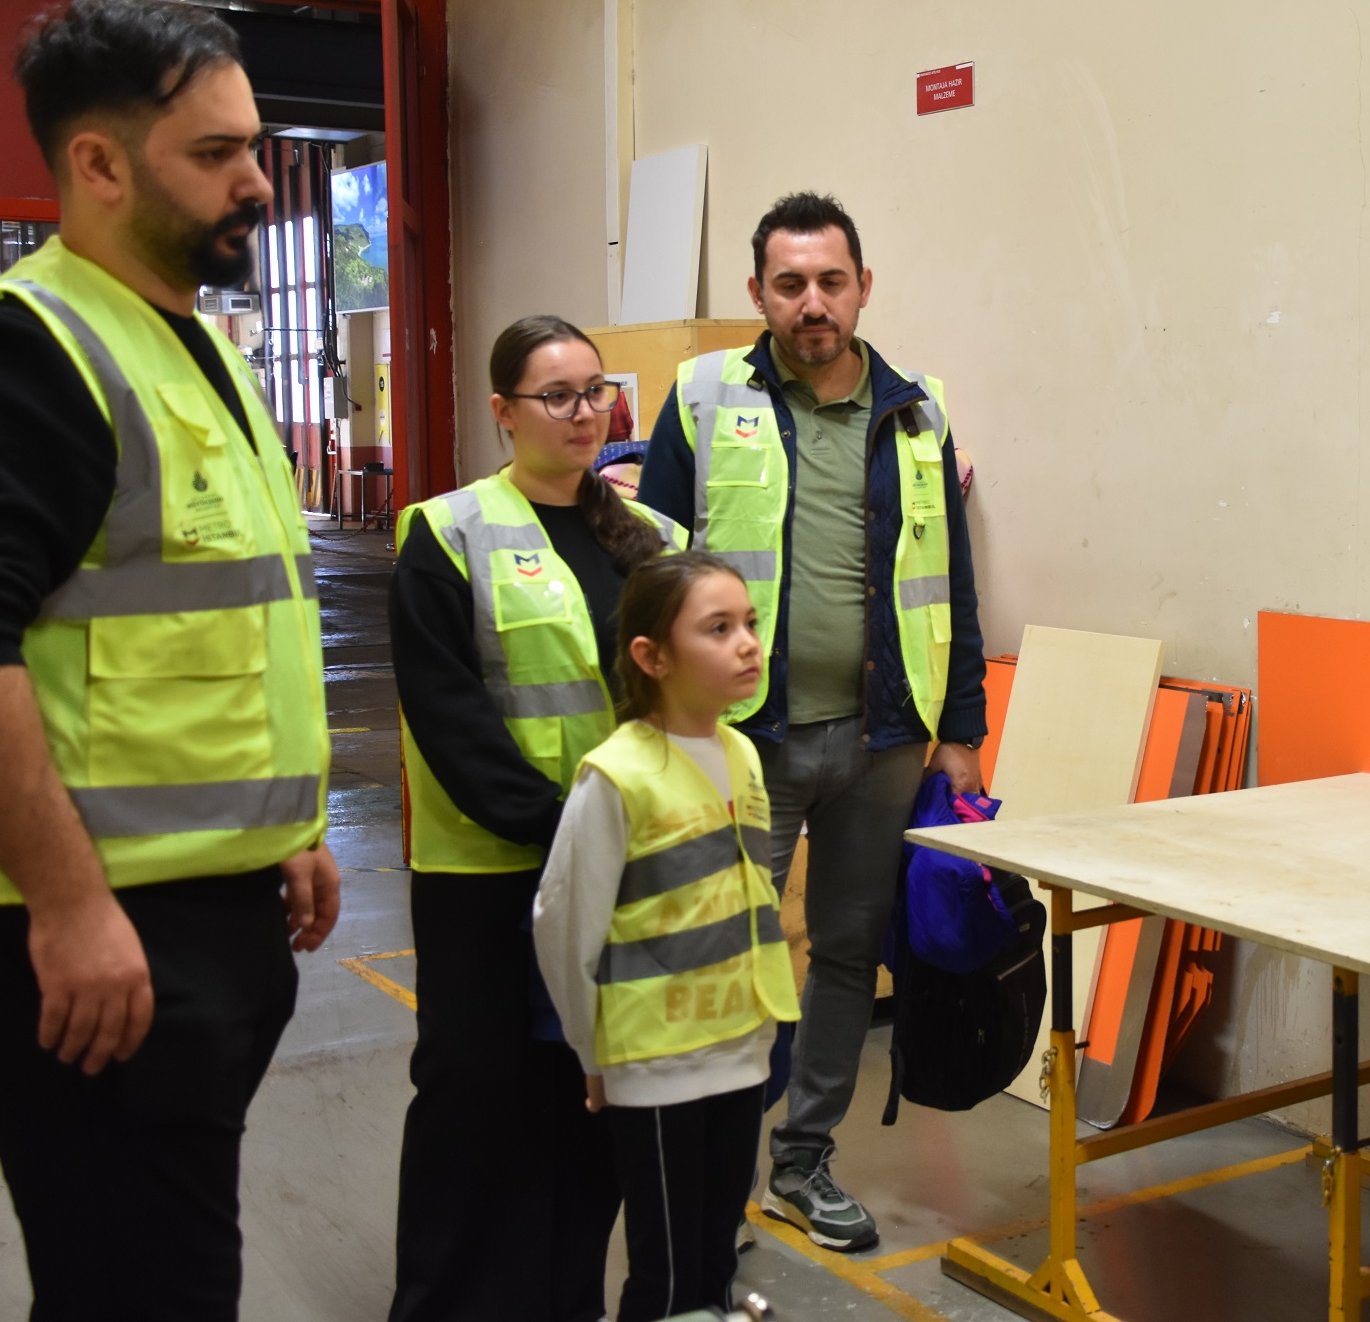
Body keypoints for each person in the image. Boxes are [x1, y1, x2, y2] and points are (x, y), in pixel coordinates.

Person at [0, 0, 339, 1319]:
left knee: (159, 1272)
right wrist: (67, 905)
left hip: (202, 909)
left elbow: (214, 627)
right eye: (215, 154)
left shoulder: (189, 347)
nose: (256, 182)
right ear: (99, 164)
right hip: (93, 933)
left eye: (253, 146)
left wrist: (285, 823)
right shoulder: (26, 349)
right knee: (140, 1288)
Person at [638, 192, 987, 1251]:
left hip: (885, 737)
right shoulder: (706, 396)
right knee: (722, 953)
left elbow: (950, 577)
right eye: (789, 284)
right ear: (758, 292)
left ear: (862, 286)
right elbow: (651, 568)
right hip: (744, 737)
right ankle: (709, 1174)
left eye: (831, 281)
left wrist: (960, 728)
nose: (812, 303)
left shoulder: (916, 410)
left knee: (844, 952)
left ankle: (802, 1159)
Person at [386, 316, 686, 1322]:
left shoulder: (655, 542)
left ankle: (564, 1299)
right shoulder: (447, 532)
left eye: (596, 391)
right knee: (473, 1097)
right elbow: (449, 715)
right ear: (503, 412)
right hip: (487, 874)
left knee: (587, 1096)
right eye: (556, 395)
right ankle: (440, 1304)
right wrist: (564, 826)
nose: (583, 411)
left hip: (617, 872)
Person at [533, 551, 801, 1321]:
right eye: (718, 628)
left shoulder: (742, 754)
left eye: (749, 622)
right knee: (669, 1274)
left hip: (740, 1048)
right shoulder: (617, 776)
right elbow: (565, 926)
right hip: (656, 1061)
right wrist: (592, 1053)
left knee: (716, 1256)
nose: (747, 642)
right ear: (652, 657)